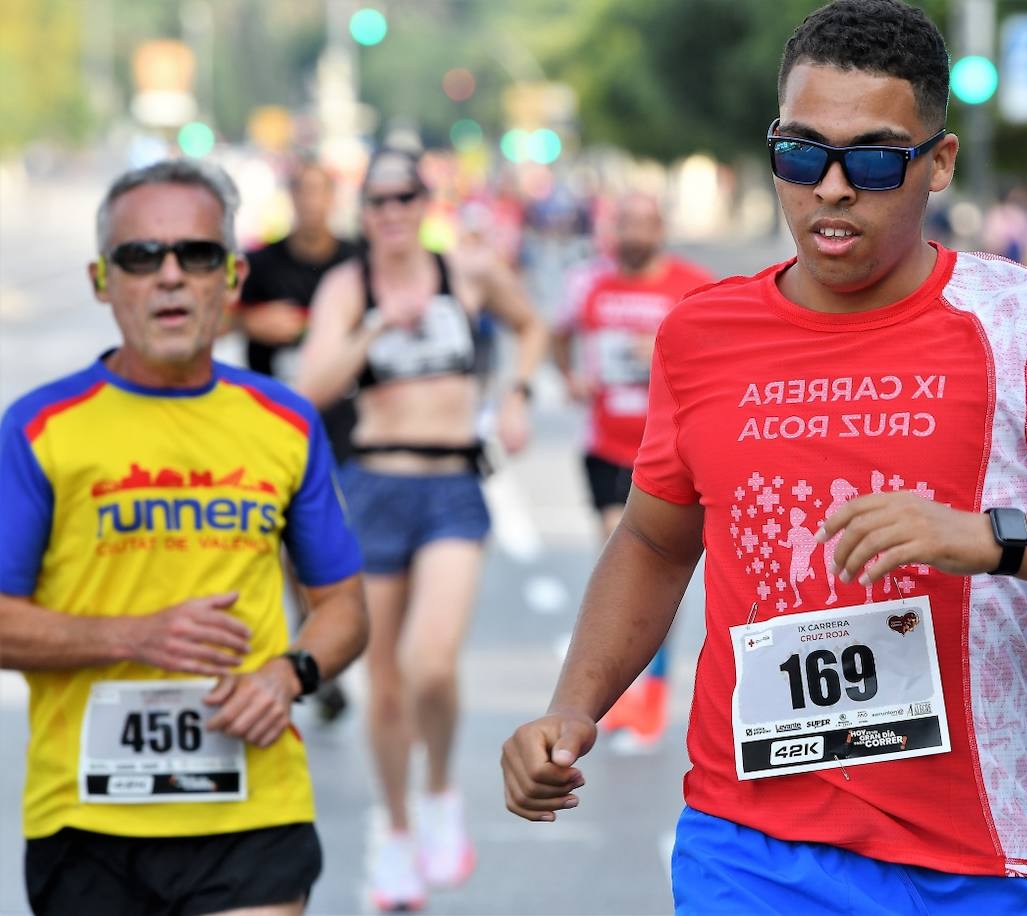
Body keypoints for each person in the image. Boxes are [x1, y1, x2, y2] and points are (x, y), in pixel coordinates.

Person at [501, 2, 1027, 913]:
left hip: (967, 867)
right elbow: (655, 542)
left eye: (877, 158)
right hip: (749, 849)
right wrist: (573, 708)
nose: (834, 187)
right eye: (803, 154)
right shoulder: (702, 335)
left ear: (939, 163)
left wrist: (987, 538)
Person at [0, 158, 369, 916]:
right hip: (85, 815)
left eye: (196, 255)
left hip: (252, 813)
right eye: (141, 257)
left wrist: (288, 675)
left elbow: (344, 611)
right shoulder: (40, 428)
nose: (169, 276)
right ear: (103, 280)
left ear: (231, 278)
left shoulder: (285, 421)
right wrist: (135, 634)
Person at [296, 148, 547, 911]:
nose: (392, 212)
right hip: (373, 483)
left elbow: (530, 322)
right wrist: (375, 326)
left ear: (424, 202)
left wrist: (517, 396)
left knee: (429, 661)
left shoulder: (462, 271)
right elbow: (309, 387)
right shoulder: (349, 285)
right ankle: (396, 829)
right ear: (362, 210)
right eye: (377, 200)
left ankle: (438, 791)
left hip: (450, 489)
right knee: (385, 682)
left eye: (405, 197)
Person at [552, 193, 713, 750]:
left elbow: (720, 356)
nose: (634, 233)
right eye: (626, 222)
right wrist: (568, 376)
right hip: (603, 444)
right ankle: (622, 697)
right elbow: (556, 332)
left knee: (649, 566)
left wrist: (666, 353)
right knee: (616, 557)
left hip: (664, 446)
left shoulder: (689, 286)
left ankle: (654, 695)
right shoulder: (589, 286)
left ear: (661, 228)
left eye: (645, 223)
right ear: (612, 228)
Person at [239, 158, 362, 724]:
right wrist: (251, 322)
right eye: (302, 193)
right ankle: (315, 640)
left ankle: (327, 640)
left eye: (321, 192)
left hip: (342, 418)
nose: (312, 203)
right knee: (292, 546)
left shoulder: (353, 263)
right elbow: (213, 316)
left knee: (336, 535)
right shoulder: (261, 262)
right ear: (291, 198)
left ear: (333, 198)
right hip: (272, 420)